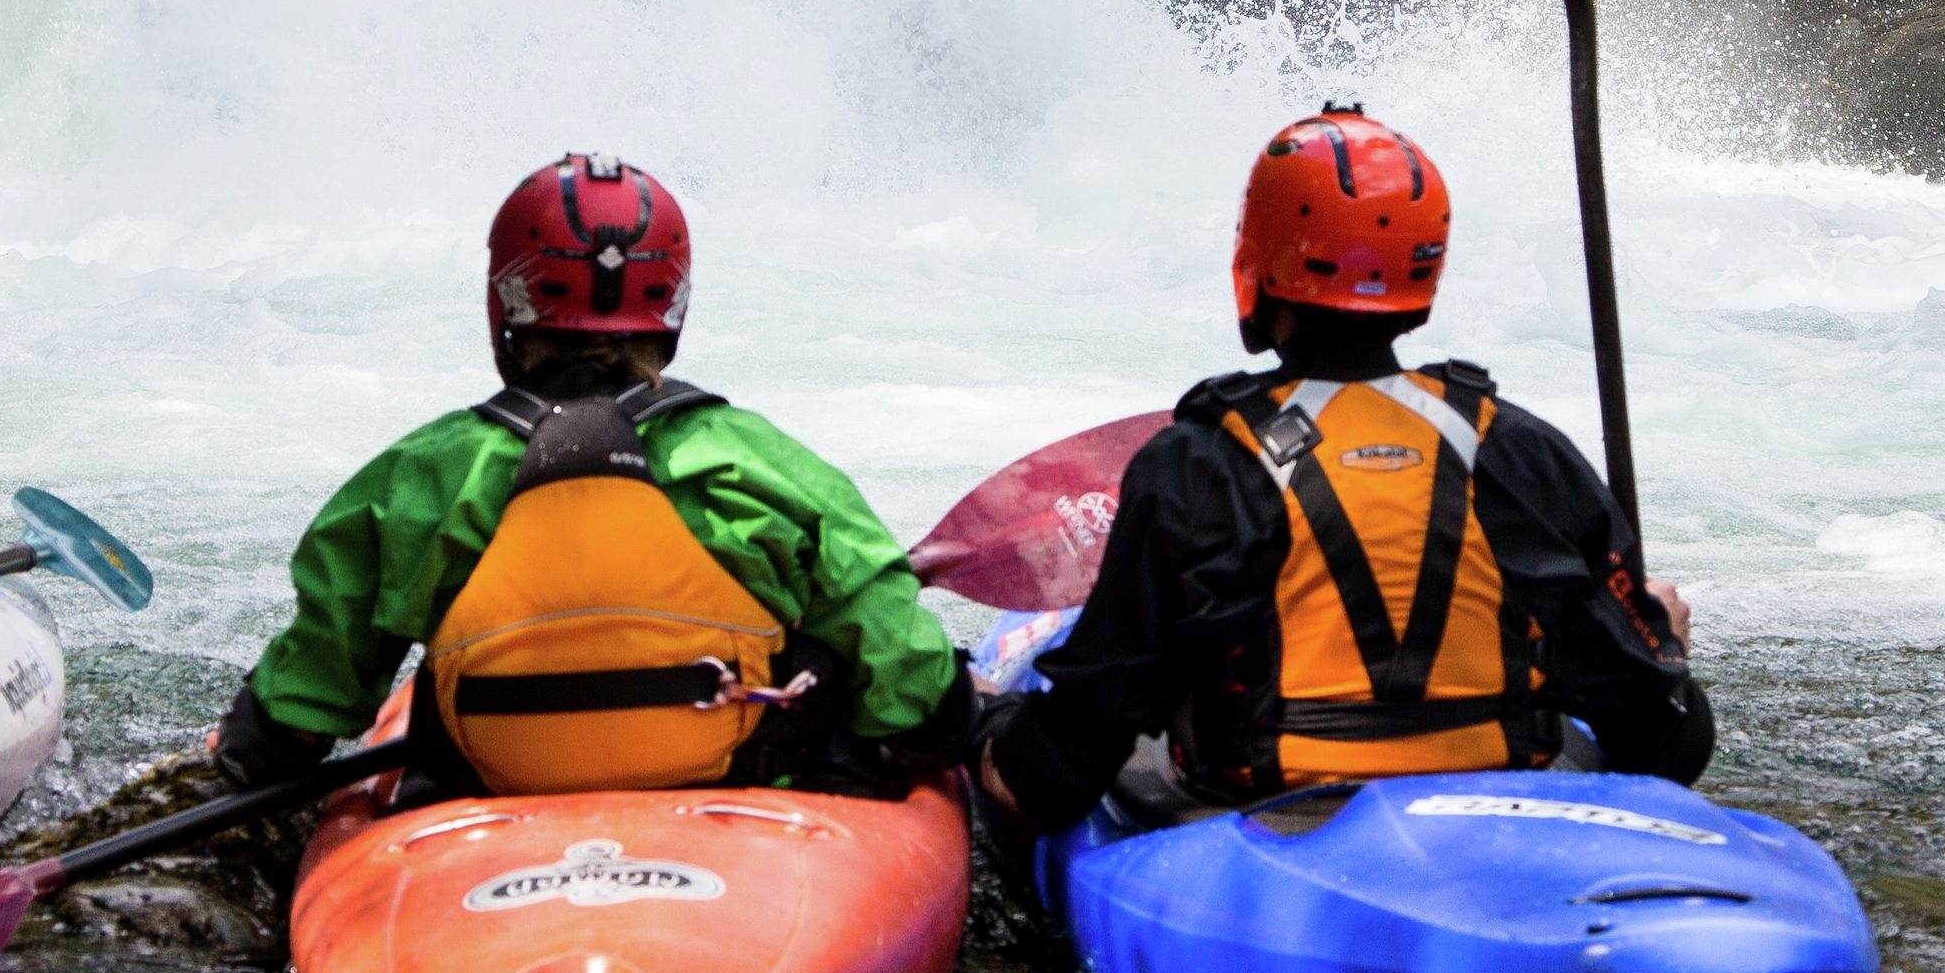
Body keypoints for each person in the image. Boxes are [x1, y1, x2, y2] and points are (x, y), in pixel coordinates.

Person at [973, 104, 1712, 836]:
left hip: (1260, 820)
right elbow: (1669, 745)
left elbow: (1058, 772)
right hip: (1499, 807)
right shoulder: (1521, 452)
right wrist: (1662, 645)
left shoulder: (1199, 464)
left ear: (1258, 260)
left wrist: (981, 719)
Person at [211, 153, 977, 804]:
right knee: (828, 659)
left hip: (492, 794)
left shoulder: (421, 476)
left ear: (507, 302)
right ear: (670, 306)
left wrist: (249, 751)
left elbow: (308, 699)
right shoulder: (758, 462)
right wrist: (957, 722)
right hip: (741, 787)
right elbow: (902, 673)